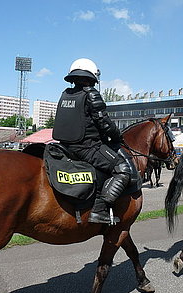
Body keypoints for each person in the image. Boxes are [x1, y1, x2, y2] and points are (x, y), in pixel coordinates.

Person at [52, 58, 133, 224]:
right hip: (87, 147)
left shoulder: (65, 94)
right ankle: (99, 209)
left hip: (64, 147)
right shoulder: (91, 94)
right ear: (91, 77)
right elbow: (105, 123)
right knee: (122, 168)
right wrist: (118, 136)